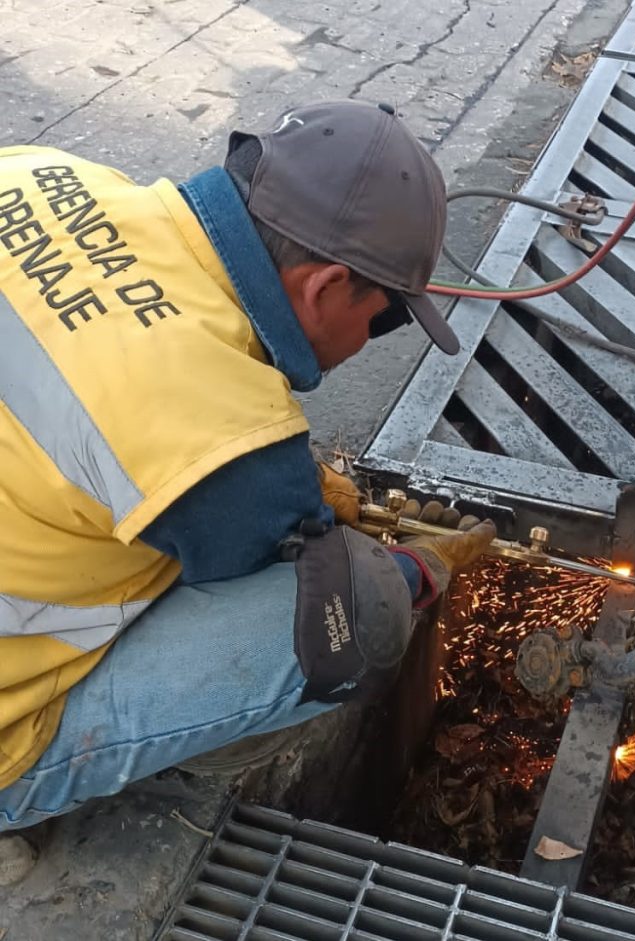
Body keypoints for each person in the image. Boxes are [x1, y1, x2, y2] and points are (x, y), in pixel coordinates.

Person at [0, 100, 496, 876]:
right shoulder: (228, 448)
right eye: (387, 318)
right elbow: (314, 577)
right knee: (356, 618)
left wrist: (294, 484)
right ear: (327, 286)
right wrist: (419, 573)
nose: (372, 341)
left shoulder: (40, 172)